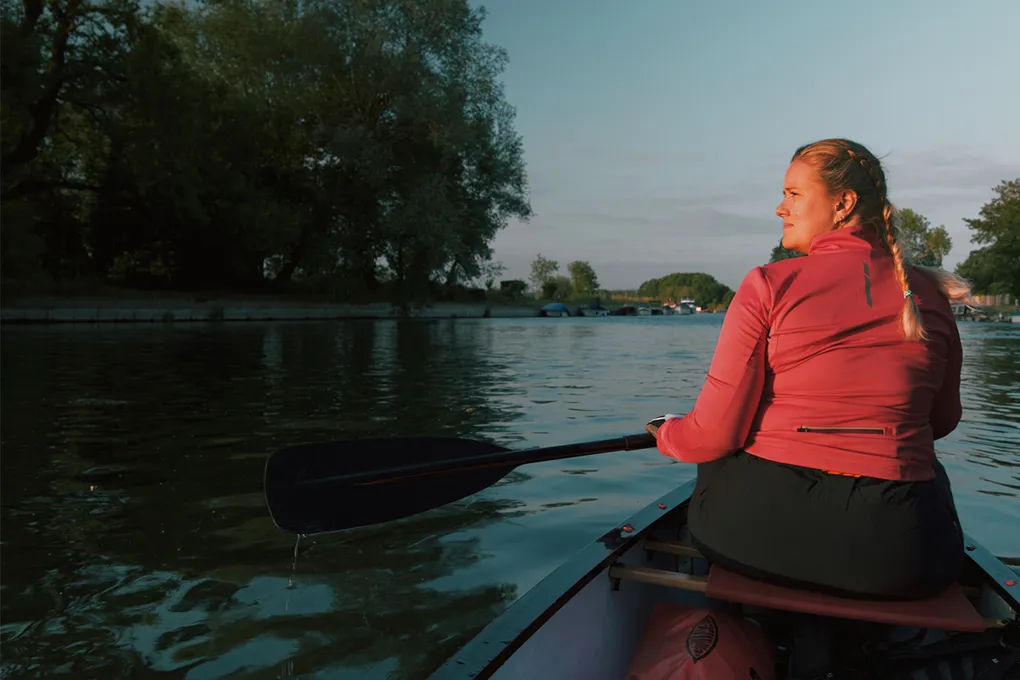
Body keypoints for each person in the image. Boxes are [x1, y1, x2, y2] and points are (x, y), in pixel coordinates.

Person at [646, 138, 971, 601]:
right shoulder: (930, 299)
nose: (781, 208)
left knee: (718, 455)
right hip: (907, 553)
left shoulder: (768, 284)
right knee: (929, 471)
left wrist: (667, 432)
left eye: (794, 194)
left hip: (762, 537)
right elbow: (941, 422)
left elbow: (713, 436)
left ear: (843, 203)